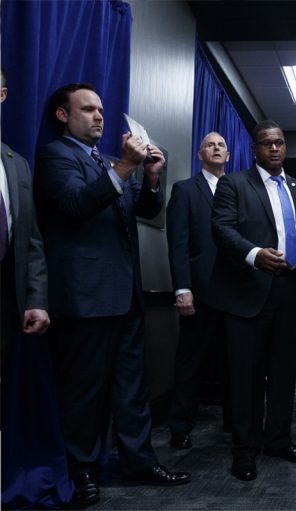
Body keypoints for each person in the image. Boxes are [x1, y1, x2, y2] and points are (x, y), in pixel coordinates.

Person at [33, 83, 190, 507]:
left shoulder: (103, 161)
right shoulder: (55, 156)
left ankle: (139, 461)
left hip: (126, 295)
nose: (100, 116)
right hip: (84, 297)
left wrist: (150, 177)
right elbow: (74, 206)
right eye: (88, 109)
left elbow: (141, 210)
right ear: (63, 116)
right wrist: (125, 167)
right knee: (84, 391)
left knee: (132, 388)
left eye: (101, 109)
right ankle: (82, 470)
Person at [209, 120, 296, 482]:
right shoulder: (234, 184)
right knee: (247, 377)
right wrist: (254, 254)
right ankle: (245, 449)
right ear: (254, 148)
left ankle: (279, 440)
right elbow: (221, 229)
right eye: (266, 143)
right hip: (247, 292)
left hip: (291, 292)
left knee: (285, 373)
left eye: (279, 143)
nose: (274, 148)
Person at [0, 67, 69, 509]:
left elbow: (32, 241)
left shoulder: (16, 162)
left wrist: (37, 300)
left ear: (3, 94)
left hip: (8, 303)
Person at [165, 132, 232, 450]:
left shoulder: (239, 190)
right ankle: (180, 426)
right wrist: (182, 288)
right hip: (200, 292)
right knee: (190, 363)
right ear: (199, 154)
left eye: (221, 145)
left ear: (228, 156)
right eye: (210, 145)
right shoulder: (185, 190)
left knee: (235, 362)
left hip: (236, 295)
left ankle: (236, 422)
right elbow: (178, 243)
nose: (216, 148)